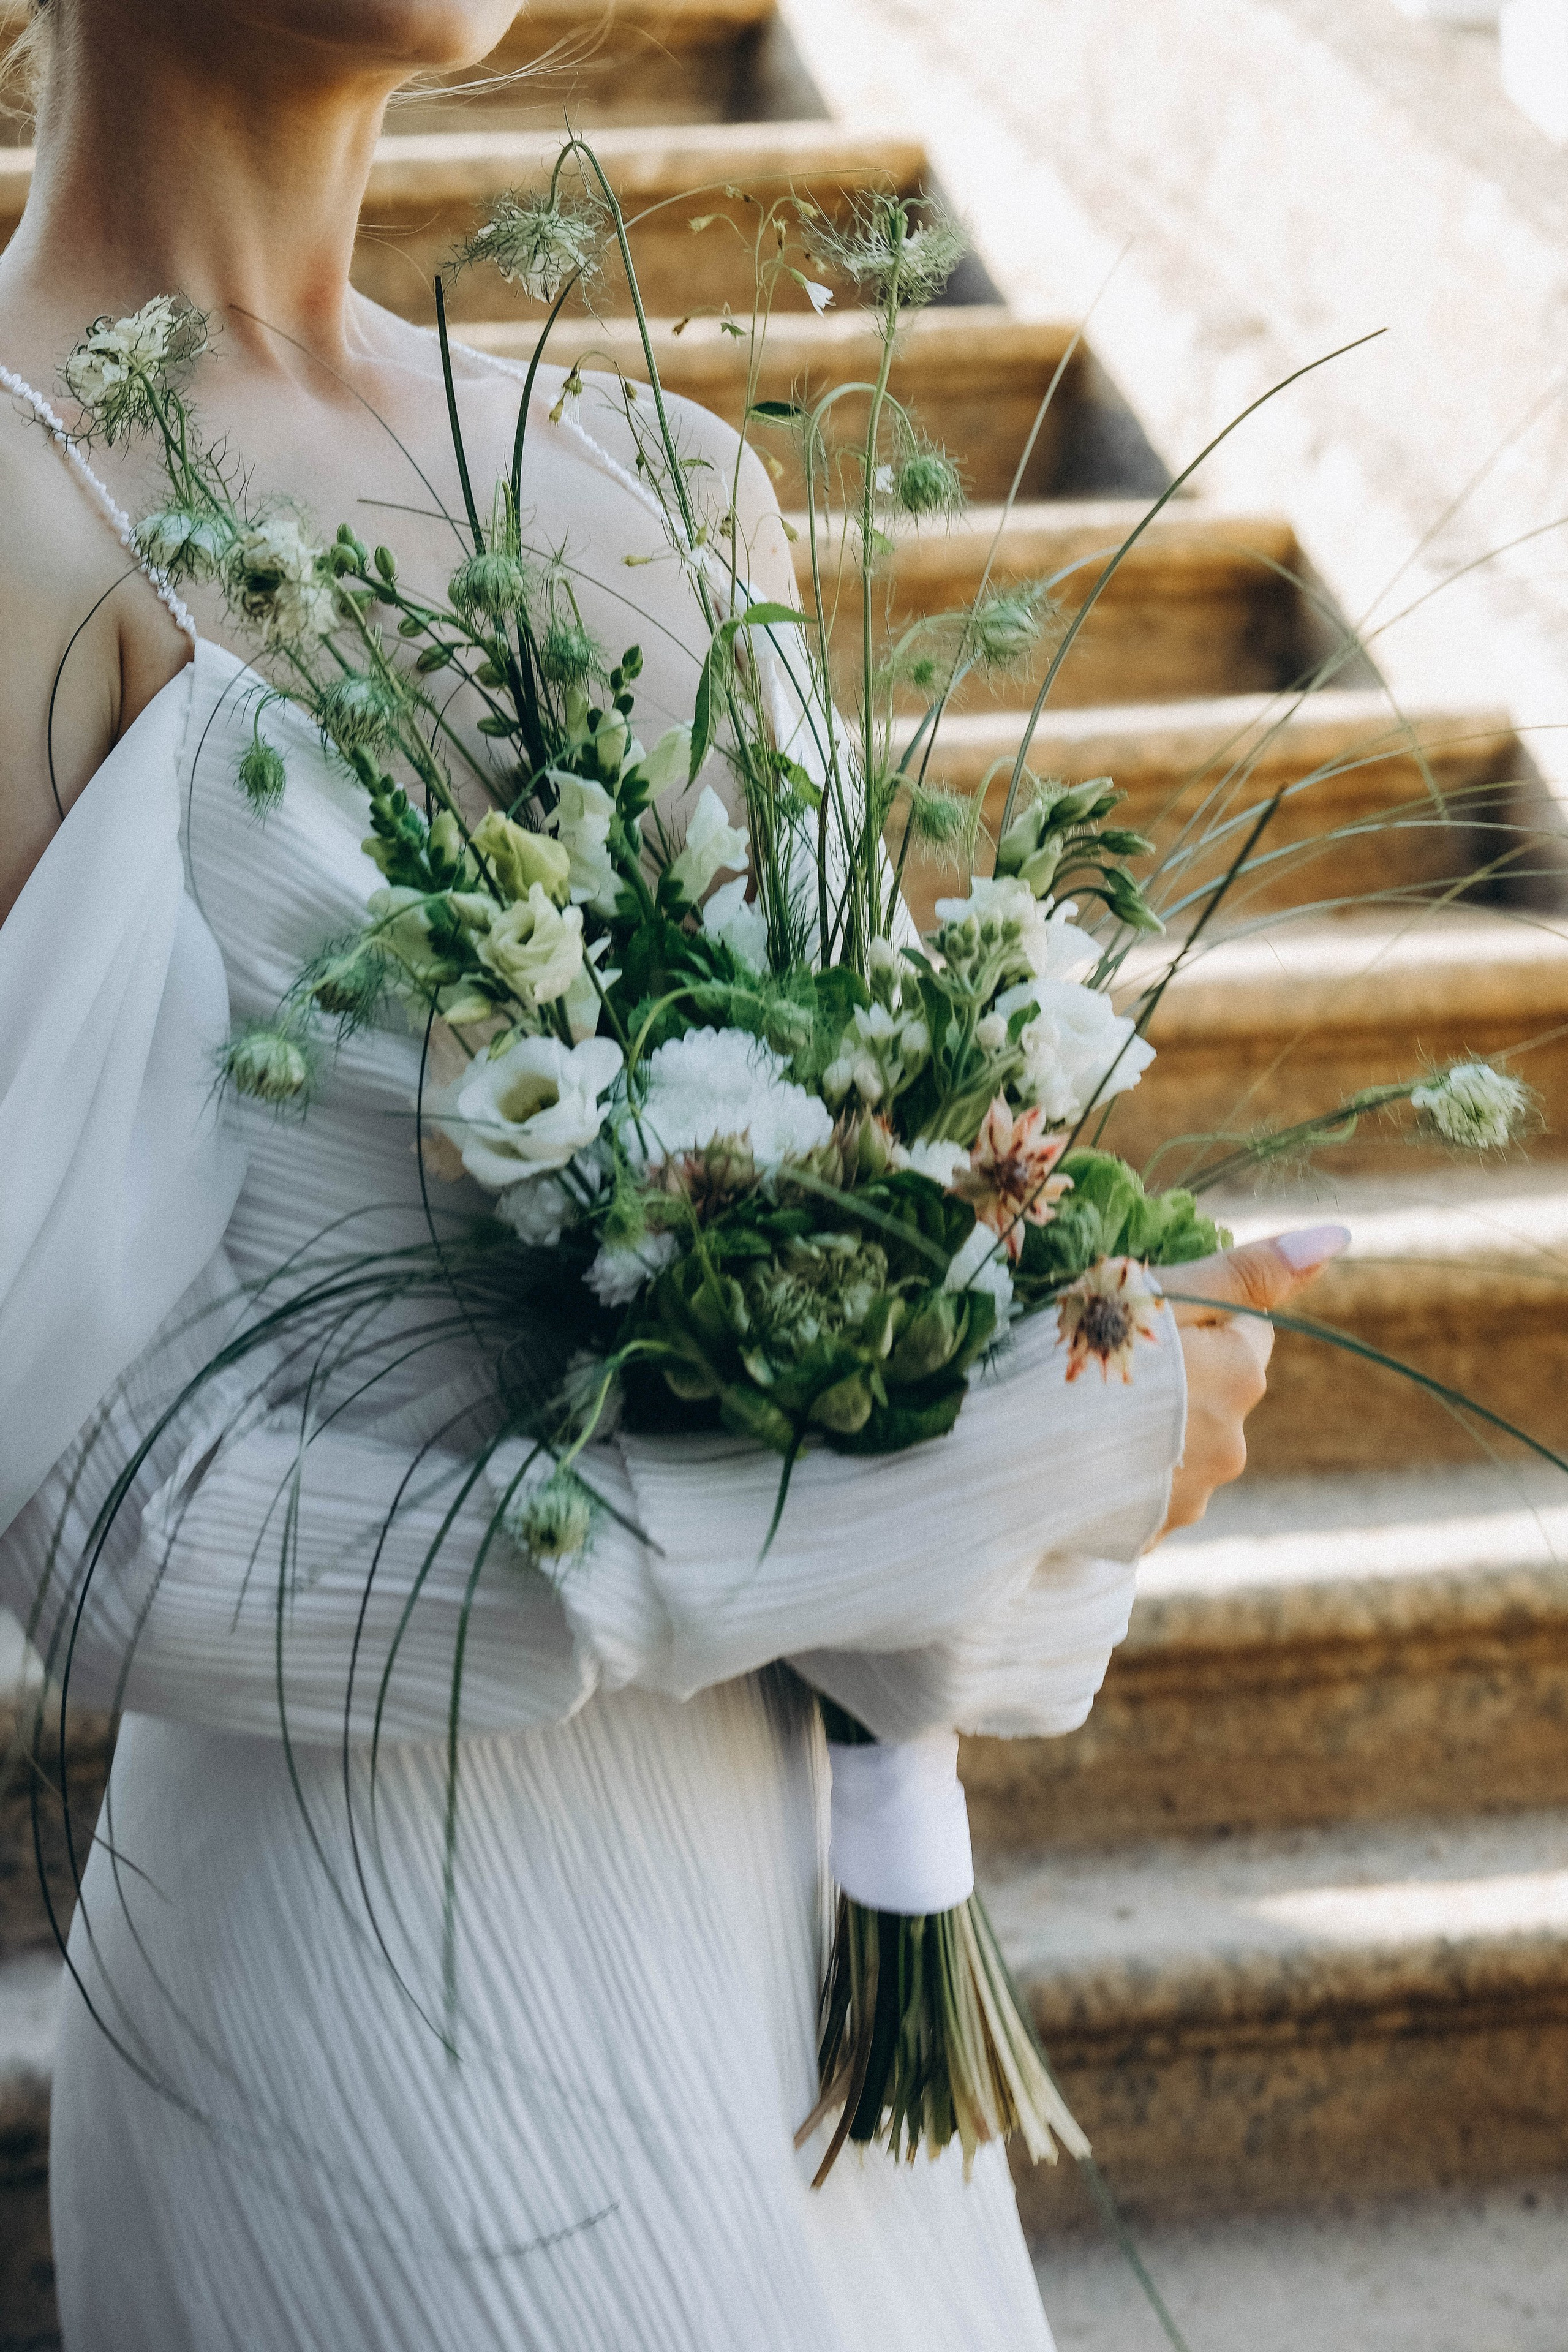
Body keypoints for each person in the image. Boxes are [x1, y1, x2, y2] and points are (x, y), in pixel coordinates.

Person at [0, 4, 1349, 2346]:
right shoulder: (20, 497)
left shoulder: (665, 472)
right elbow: (108, 1531)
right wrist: (898, 1507)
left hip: (810, 1991)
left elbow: (899, 1245)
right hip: (375, 2027)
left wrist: (1055, 1393)